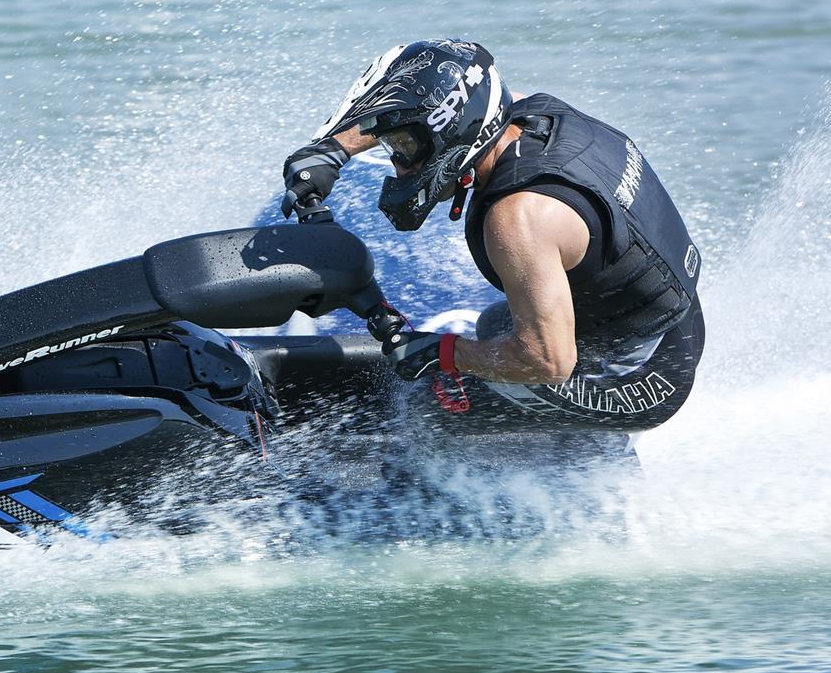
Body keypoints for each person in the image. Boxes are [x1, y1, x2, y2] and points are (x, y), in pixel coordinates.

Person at [280, 39, 705, 430]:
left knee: (431, 404)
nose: (399, 167)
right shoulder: (526, 111)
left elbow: (548, 361)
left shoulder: (518, 219)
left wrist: (443, 353)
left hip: (644, 378)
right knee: (494, 325)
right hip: (670, 321)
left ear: (452, 135)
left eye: (406, 149)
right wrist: (335, 150)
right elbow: (423, 105)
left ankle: (574, 476)